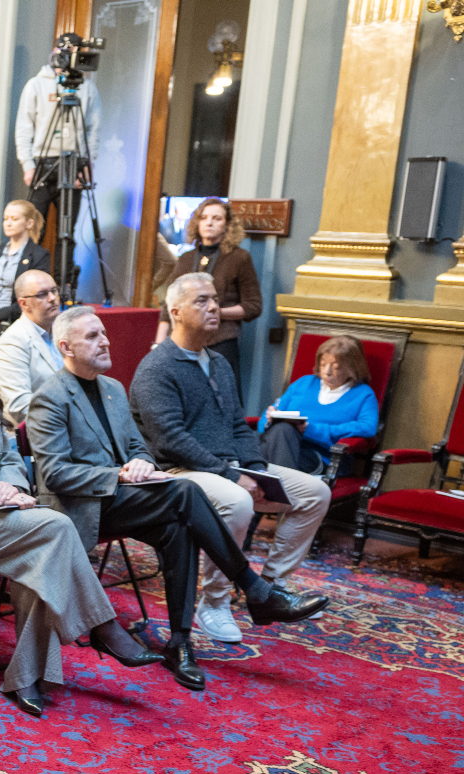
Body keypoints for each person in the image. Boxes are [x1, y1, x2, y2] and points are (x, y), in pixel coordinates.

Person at [29, 305, 329, 689]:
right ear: (66, 346)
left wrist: (138, 462)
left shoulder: (113, 389)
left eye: (103, 333)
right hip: (81, 507)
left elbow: (139, 446)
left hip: (126, 497)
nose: (105, 341)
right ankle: (255, 590)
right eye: (92, 337)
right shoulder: (50, 396)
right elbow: (54, 474)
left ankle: (179, 641)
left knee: (178, 524)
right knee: (186, 491)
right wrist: (118, 473)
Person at [0, 311, 164, 716]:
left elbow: (11, 458)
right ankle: (101, 628)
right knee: (55, 526)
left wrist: (12, 486)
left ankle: (26, 676)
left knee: (41, 555)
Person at [132, 273, 331, 644]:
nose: (214, 308)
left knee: (316, 492)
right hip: (177, 472)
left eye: (215, 300)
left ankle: (270, 589)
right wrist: (232, 476)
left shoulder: (220, 363)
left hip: (229, 466)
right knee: (238, 502)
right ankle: (215, 604)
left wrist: (255, 469)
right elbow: (170, 440)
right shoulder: (156, 368)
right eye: (201, 301)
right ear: (175, 311)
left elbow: (239, 425)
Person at [153, 198, 262, 392]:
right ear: (197, 223)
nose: (209, 223)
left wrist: (215, 312)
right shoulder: (186, 259)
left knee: (221, 398)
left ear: (227, 225)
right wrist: (159, 343)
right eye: (204, 218)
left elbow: (253, 306)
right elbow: (169, 305)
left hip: (221, 342)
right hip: (183, 342)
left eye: (216, 218)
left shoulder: (239, 258)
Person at [15, 34, 101, 239]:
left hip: (74, 165)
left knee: (67, 234)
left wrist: (89, 164)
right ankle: (32, 272)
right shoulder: (36, 85)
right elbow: (24, 128)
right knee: (35, 231)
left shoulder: (87, 88)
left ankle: (66, 272)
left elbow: (94, 130)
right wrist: (28, 166)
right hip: (42, 165)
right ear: (56, 54)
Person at [258, 335, 378, 474]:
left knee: (278, 434)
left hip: (320, 457)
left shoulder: (363, 394)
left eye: (336, 367)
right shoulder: (303, 383)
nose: (327, 372)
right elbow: (266, 421)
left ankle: (272, 482)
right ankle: (280, 487)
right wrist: (269, 418)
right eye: (323, 365)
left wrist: (312, 429)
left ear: (352, 369)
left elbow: (368, 428)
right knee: (270, 433)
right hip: (279, 445)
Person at [0, 200, 51, 372]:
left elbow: (34, 297)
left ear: (29, 223)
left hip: (12, 325)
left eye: (14, 219)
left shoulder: (39, 255)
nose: (8, 223)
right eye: (5, 218)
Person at [0, 270, 63, 427]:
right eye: (42, 294)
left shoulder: (63, 332)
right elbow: (19, 406)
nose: (52, 298)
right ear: (24, 303)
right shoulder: (12, 342)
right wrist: (73, 417)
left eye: (54, 291)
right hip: (35, 436)